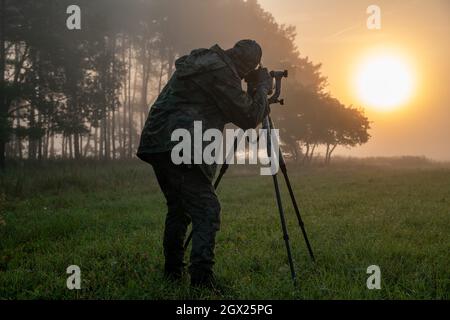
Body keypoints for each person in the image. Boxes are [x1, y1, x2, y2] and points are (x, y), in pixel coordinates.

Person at [136, 39, 273, 288]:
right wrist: (261, 88)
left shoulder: (205, 62)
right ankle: (201, 282)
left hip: (158, 140)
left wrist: (251, 88)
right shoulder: (222, 71)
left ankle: (172, 275)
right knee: (207, 210)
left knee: (179, 209)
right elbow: (248, 116)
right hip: (181, 144)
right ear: (247, 64)